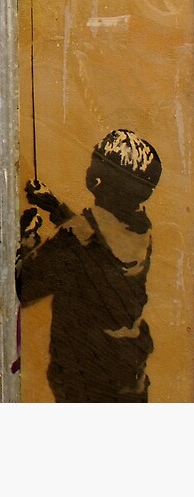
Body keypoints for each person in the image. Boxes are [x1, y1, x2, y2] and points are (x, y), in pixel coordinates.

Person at [18, 128, 162, 403]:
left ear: (101, 178)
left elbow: (24, 288)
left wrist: (26, 240)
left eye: (96, 160)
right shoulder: (140, 228)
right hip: (128, 380)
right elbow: (98, 245)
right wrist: (55, 207)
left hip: (84, 384)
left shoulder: (75, 239)